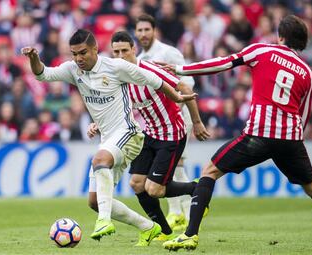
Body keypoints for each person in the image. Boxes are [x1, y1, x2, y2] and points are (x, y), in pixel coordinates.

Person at [161, 15, 312, 252]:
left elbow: (223, 63)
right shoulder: (307, 72)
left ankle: (190, 235)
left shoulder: (262, 51)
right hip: (290, 139)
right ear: (302, 42)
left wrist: (180, 69)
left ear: (281, 36)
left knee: (210, 171)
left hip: (258, 135)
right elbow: (304, 113)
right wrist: (294, 139)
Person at [21, 29, 196, 246]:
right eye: (74, 54)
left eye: (83, 53)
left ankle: (103, 221)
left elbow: (155, 80)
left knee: (99, 161)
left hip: (128, 134)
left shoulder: (116, 67)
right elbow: (43, 75)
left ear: (95, 49)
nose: (78, 59)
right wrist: (34, 58)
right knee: (95, 201)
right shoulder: (73, 70)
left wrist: (177, 97)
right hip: (107, 140)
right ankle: (149, 227)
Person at [95, 31, 209, 241]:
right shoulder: (119, 76)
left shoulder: (149, 69)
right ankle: (163, 231)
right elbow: (115, 106)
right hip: (148, 133)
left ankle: (197, 188)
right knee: (137, 184)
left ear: (134, 50)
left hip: (171, 134)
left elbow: (183, 88)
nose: (120, 56)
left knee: (154, 189)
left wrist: (197, 122)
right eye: (116, 52)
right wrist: (97, 123)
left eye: (124, 51)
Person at [135, 13, 199, 232]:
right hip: (161, 122)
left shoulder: (168, 53)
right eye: (140, 30)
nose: (143, 34)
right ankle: (179, 211)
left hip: (178, 115)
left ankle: (183, 211)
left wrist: (175, 113)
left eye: (146, 30)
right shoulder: (139, 58)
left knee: (173, 166)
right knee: (173, 167)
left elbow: (186, 83)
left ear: (155, 31)